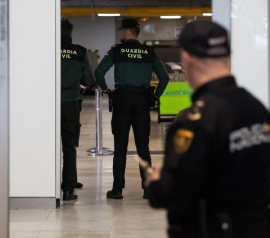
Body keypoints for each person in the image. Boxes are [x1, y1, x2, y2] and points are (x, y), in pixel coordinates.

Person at [146, 20, 270, 238]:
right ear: (227, 55)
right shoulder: (256, 108)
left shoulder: (195, 121)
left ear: (186, 58)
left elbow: (172, 194)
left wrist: (157, 182)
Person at [94, 19, 169, 199]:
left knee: (120, 146)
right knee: (143, 146)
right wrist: (155, 96)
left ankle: (117, 189)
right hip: (142, 100)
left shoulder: (116, 51)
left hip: (122, 100)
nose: (119, 34)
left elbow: (98, 72)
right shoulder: (149, 52)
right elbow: (164, 77)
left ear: (128, 32)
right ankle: (148, 188)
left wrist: (105, 89)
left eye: (121, 31)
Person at [61, 17, 94, 201]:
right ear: (71, 33)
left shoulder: (47, 48)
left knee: (48, 145)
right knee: (69, 145)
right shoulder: (80, 51)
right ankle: (68, 188)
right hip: (71, 103)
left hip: (50, 105)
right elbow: (88, 79)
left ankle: (45, 185)